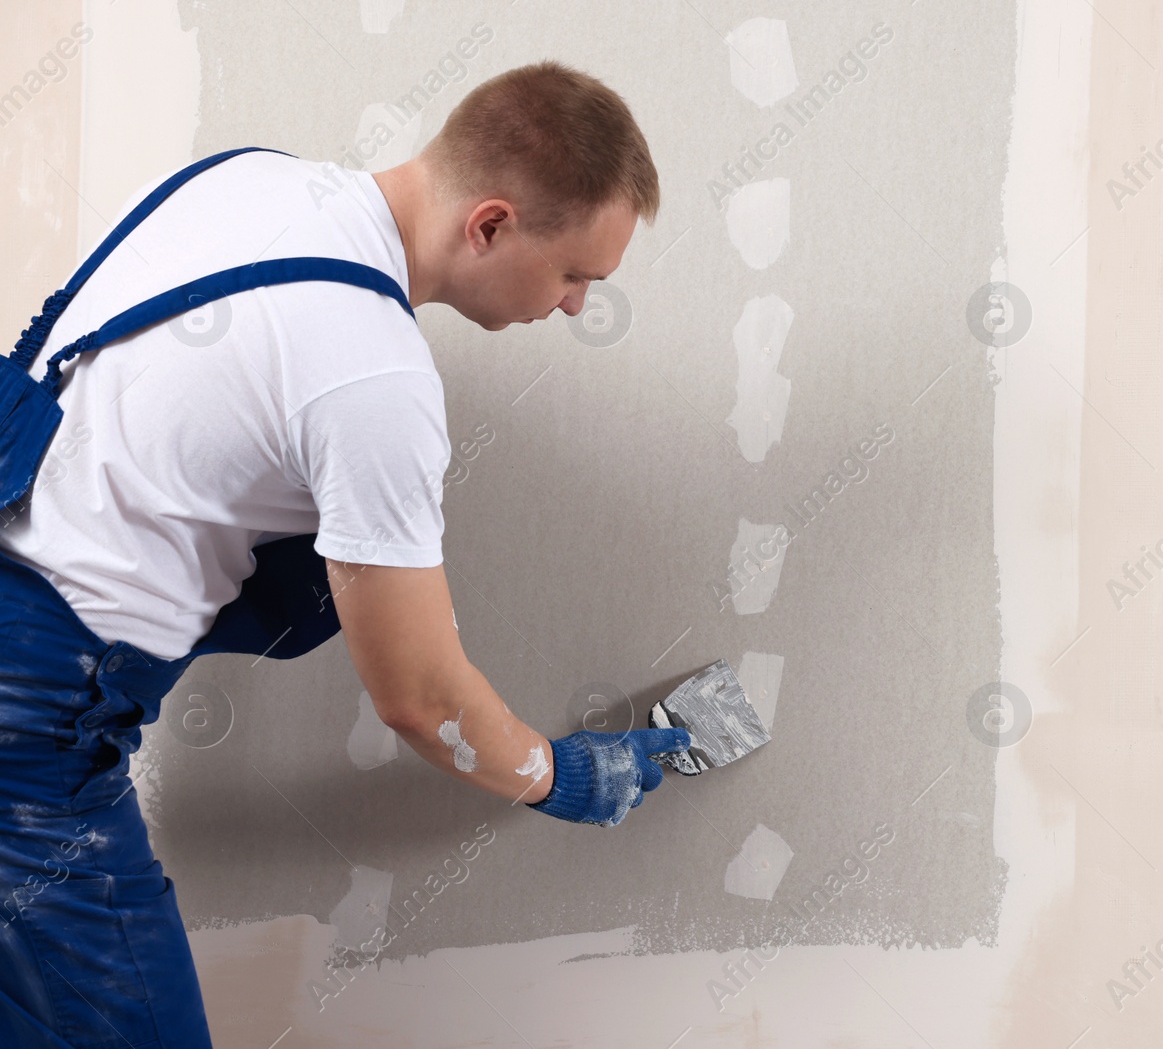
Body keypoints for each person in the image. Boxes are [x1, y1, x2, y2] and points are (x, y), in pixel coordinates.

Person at [0, 60, 690, 1047]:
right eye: (577, 272)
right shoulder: (372, 374)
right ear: (490, 224)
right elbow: (420, 696)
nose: (579, 303)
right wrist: (564, 775)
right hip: (26, 742)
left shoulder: (243, 178)